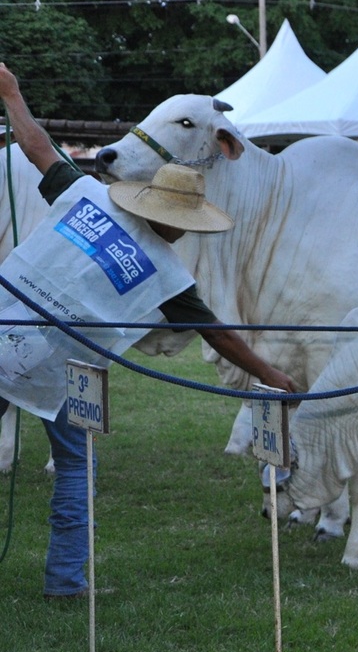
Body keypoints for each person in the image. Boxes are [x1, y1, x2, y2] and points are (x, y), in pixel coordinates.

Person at [0, 63, 299, 600]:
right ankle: (65, 582)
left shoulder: (83, 195)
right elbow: (219, 336)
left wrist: (13, 95)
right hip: (64, 370)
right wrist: (273, 373)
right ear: (182, 221)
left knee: (73, 466)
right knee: (74, 468)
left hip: (4, 328)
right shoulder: (169, 273)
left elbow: (37, 146)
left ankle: (68, 581)